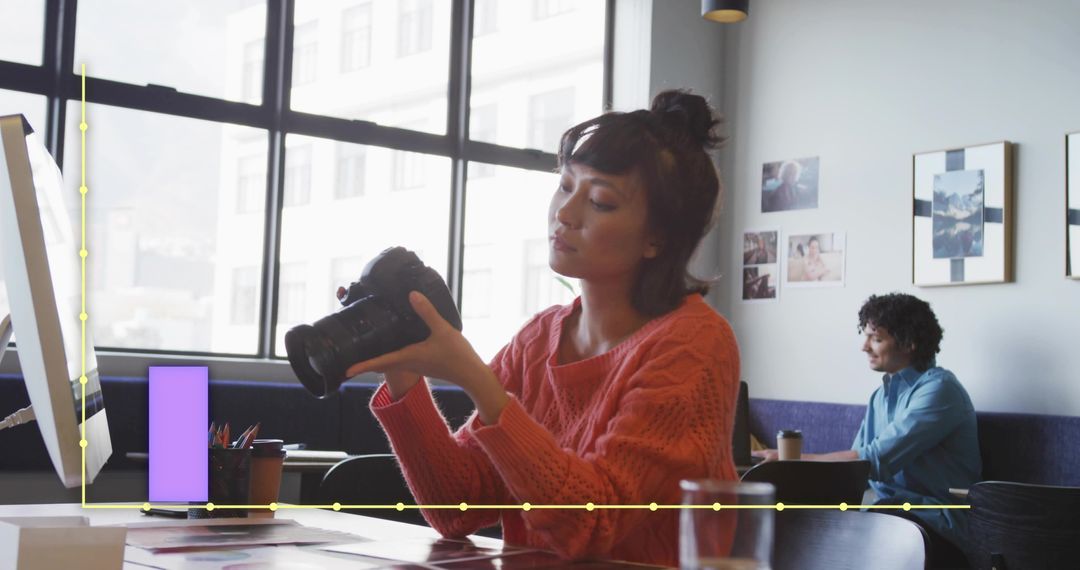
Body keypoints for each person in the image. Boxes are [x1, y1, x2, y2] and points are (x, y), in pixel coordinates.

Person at [343, 90, 740, 566]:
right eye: (565, 185)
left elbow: (590, 524)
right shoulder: (539, 338)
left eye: (600, 201)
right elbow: (459, 508)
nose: (565, 214)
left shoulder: (694, 343)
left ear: (657, 238)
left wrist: (475, 376)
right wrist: (404, 367)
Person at [754, 293, 980, 567]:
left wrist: (793, 461)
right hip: (889, 517)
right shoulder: (879, 396)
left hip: (939, 523)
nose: (865, 347)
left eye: (876, 338)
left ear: (909, 343)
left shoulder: (941, 390)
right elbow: (854, 472)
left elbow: (872, 461)